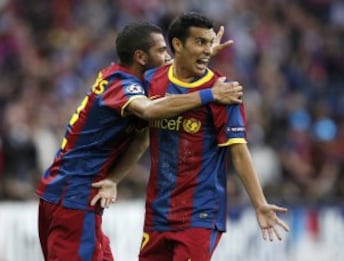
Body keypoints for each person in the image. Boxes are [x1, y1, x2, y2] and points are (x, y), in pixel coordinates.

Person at [36, 22, 243, 261]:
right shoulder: (122, 86)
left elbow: (142, 138)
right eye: (162, 51)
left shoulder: (123, 78)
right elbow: (150, 111)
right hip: (72, 200)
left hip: (73, 197)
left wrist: (197, 54)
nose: (168, 57)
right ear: (141, 57)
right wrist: (211, 94)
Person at [93, 13, 290, 261]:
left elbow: (238, 153)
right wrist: (113, 178)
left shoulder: (225, 91)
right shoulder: (153, 80)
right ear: (177, 45)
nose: (208, 51)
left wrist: (260, 203)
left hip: (200, 213)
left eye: (210, 44)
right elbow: (141, 136)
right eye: (200, 43)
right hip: (158, 211)